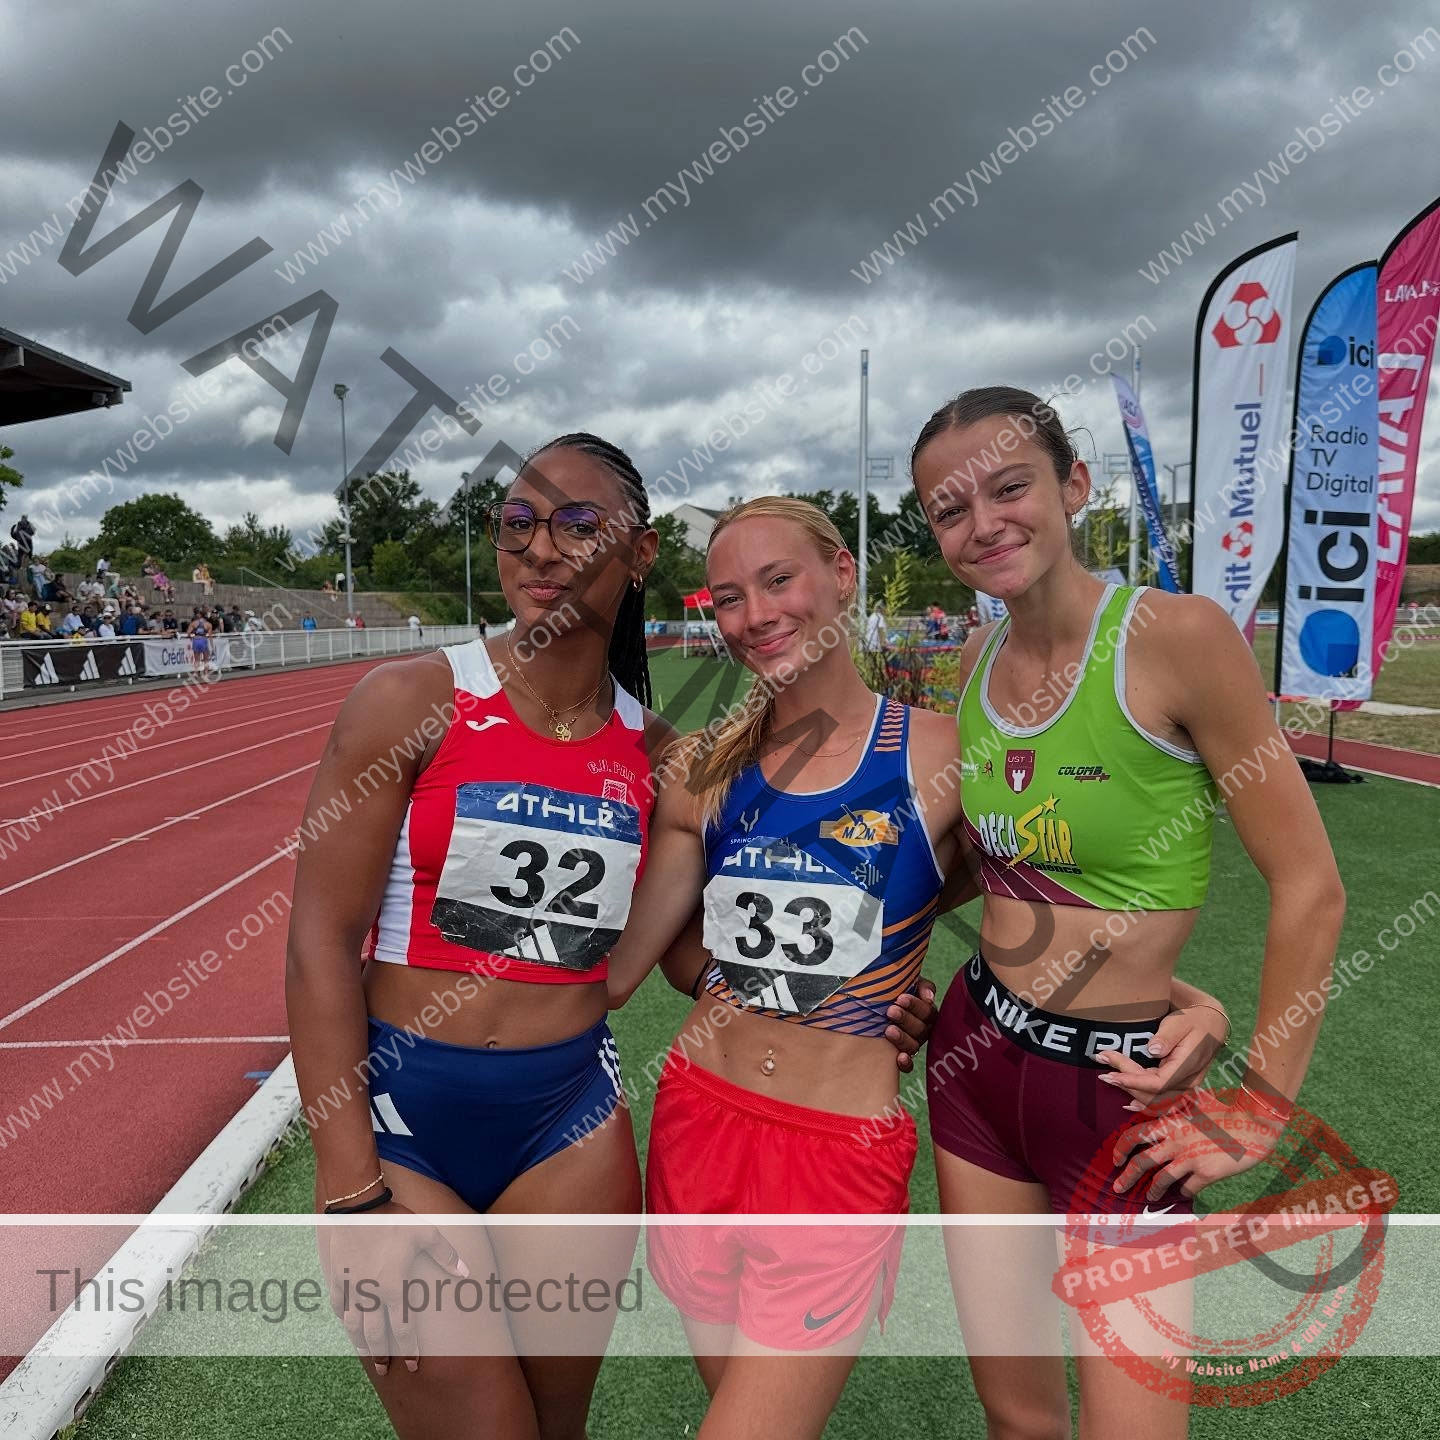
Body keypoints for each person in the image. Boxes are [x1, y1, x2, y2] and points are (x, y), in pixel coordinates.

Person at [604, 497, 1224, 1439]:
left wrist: (1191, 1003)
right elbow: (646, 962)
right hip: (696, 1122)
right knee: (730, 1405)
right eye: (728, 597)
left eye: (779, 581)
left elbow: (1041, 916)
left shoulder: (944, 756)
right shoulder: (704, 770)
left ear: (841, 576)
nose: (754, 615)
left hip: (836, 1153)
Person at [910, 387, 1345, 1437]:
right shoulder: (971, 667)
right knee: (1017, 1417)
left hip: (1121, 1094)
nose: (983, 525)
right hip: (977, 1067)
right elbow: (1003, 877)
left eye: (1010, 487)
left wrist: (1262, 1103)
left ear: (1073, 486)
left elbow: (1312, 885)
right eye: (949, 510)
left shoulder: (1177, 638)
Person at [286, 433, 672, 1438]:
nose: (542, 548)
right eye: (517, 524)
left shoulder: (660, 754)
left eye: (579, 525)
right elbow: (321, 941)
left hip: (570, 1127)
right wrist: (349, 1193)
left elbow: (704, 949)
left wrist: (886, 987)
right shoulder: (412, 701)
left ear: (641, 552)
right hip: (406, 1126)